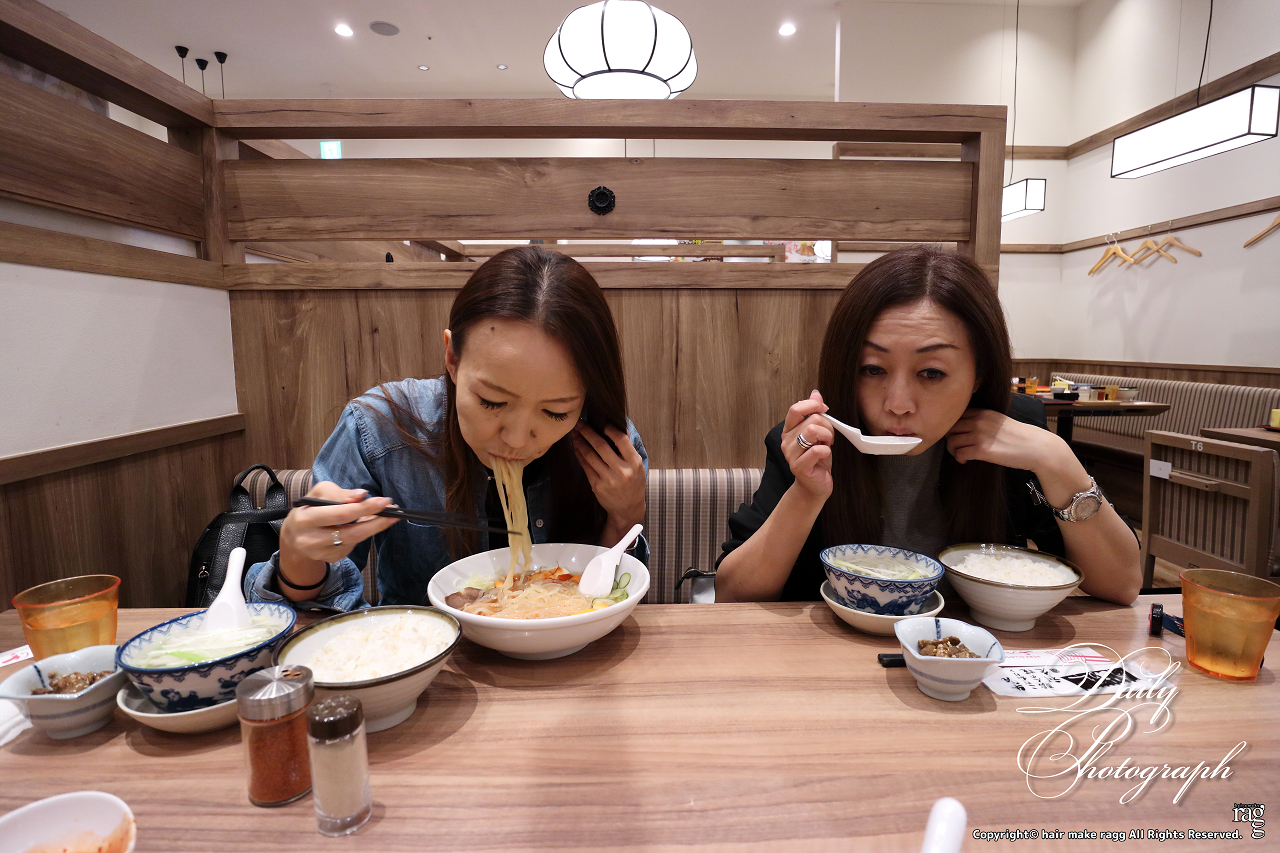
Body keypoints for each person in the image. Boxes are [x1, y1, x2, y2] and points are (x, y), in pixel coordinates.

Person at [714, 246, 1141, 605]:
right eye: (872, 369)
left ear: (978, 375)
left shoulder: (1015, 438)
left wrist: (1058, 461)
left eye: (932, 372)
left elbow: (1120, 585)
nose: (898, 404)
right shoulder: (815, 445)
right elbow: (732, 594)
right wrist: (806, 494)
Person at [246, 246, 649, 610]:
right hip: (419, 655)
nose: (515, 439)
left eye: (556, 412)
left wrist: (624, 517)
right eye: (492, 402)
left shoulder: (611, 451)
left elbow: (610, 598)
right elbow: (313, 615)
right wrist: (298, 557)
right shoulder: (379, 430)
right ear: (452, 359)